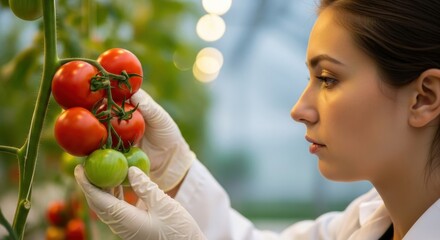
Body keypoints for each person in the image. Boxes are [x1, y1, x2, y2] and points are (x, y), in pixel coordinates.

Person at [74, 0, 440, 239]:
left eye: (328, 79)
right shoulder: (365, 222)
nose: (299, 110)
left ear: (425, 98)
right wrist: (178, 173)